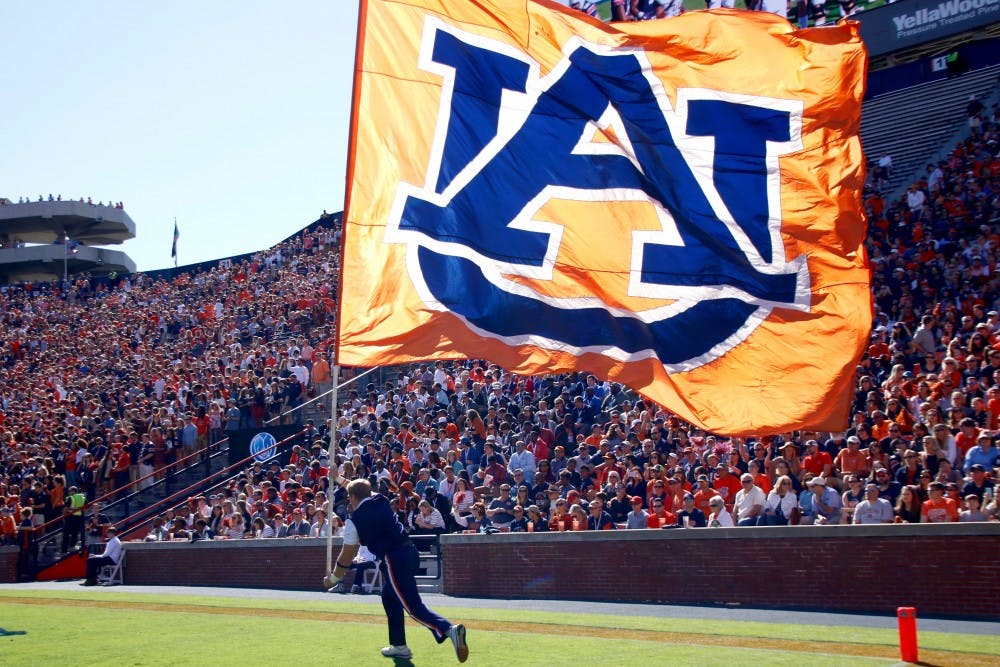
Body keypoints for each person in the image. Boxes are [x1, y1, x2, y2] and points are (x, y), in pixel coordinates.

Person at [327, 478, 468, 662]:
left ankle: (449, 630)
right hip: (409, 551)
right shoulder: (381, 500)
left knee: (412, 606)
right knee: (389, 597)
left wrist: (333, 579)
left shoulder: (354, 521)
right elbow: (361, 489)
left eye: (349, 496)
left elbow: (347, 555)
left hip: (393, 559)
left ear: (352, 497)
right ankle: (399, 645)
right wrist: (338, 477)